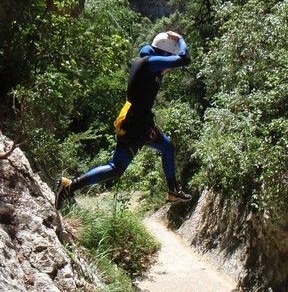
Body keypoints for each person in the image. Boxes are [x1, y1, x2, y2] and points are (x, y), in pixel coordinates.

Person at [55, 30, 192, 210]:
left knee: (167, 147)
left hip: (141, 122)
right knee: (116, 168)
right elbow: (184, 59)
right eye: (169, 57)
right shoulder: (149, 63)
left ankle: (173, 190)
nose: (168, 68)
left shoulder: (148, 64)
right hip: (135, 123)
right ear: (164, 52)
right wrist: (180, 39)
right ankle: (69, 185)